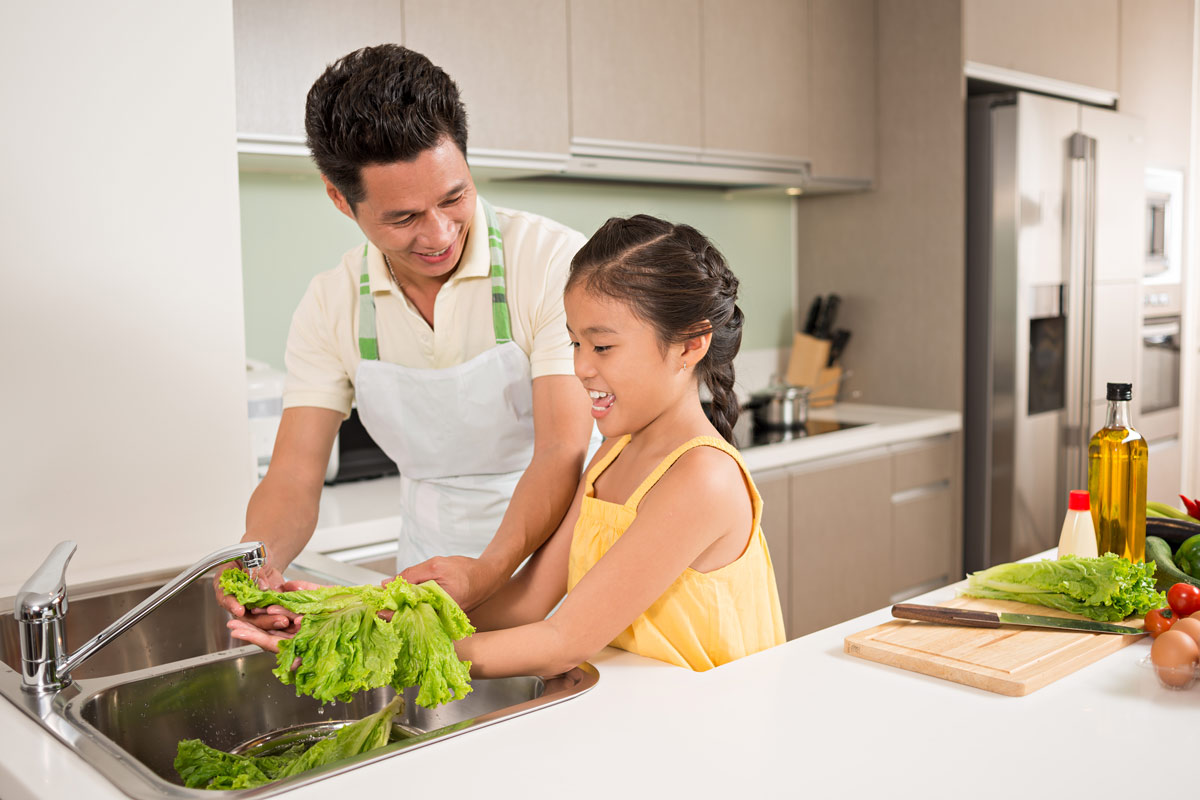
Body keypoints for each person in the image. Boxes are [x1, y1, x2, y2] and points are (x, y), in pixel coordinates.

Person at [231, 215, 786, 674]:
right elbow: (525, 603)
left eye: (603, 346)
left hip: (711, 743)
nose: (579, 367)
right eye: (573, 342)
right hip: (641, 721)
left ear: (690, 345)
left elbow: (562, 640)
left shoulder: (701, 479)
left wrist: (378, 655)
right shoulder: (612, 457)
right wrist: (349, 619)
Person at [217, 44, 597, 631]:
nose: (440, 233)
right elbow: (293, 474)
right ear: (340, 199)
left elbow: (560, 450)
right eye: (404, 218)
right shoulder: (332, 303)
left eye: (455, 197)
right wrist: (258, 561)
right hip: (425, 568)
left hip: (556, 564)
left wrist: (487, 572)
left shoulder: (551, 263)